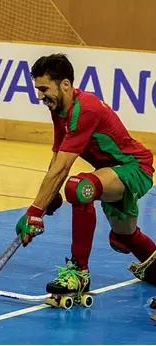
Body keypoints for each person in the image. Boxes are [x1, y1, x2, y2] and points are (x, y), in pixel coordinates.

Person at [15, 53, 156, 296]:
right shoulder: (59, 110)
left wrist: (35, 211)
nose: (39, 95)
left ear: (65, 85)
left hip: (135, 168)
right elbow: (58, 156)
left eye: (44, 88)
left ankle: (79, 273)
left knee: (78, 187)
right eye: (37, 88)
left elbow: (64, 167)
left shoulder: (86, 109)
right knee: (126, 235)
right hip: (110, 174)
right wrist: (49, 196)